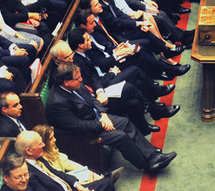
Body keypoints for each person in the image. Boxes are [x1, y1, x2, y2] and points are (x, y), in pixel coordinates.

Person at [44, 62, 175, 173]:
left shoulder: (75, 84)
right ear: (66, 82)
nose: (81, 80)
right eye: (77, 78)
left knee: (124, 122)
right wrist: (102, 124)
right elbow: (77, 126)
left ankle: (152, 155)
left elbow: (92, 99)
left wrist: (104, 114)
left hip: (97, 118)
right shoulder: (57, 103)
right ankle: (148, 165)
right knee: (121, 136)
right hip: (84, 133)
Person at [14, 130, 116, 191]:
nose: (44, 145)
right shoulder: (27, 172)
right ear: (29, 151)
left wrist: (77, 185)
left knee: (107, 183)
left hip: (71, 187)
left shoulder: (39, 158)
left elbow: (59, 174)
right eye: (40, 144)